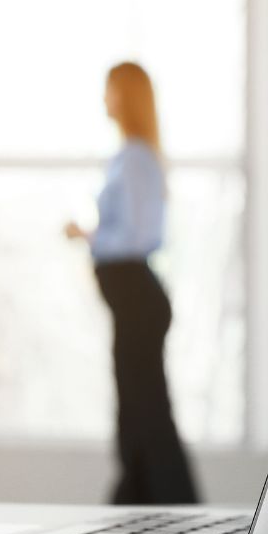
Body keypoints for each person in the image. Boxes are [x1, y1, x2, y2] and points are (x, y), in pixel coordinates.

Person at [65, 61, 198, 505]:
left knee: (147, 413)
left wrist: (90, 236)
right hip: (131, 303)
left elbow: (144, 236)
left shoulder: (138, 157)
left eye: (109, 90)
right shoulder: (127, 155)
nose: (104, 99)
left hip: (139, 300)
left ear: (125, 95)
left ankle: (165, 509)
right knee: (137, 412)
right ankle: (138, 505)